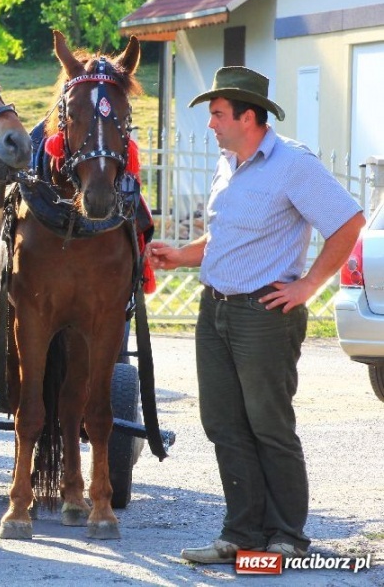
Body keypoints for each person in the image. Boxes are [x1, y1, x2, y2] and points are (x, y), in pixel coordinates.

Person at [146, 66, 364, 563]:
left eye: (218, 114)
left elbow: (348, 222)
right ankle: (241, 534)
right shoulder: (229, 164)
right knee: (223, 422)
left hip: (265, 314)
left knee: (269, 424)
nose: (211, 124)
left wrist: (310, 284)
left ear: (249, 116)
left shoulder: (293, 164)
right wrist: (181, 255)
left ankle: (286, 535)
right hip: (214, 309)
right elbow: (224, 237)